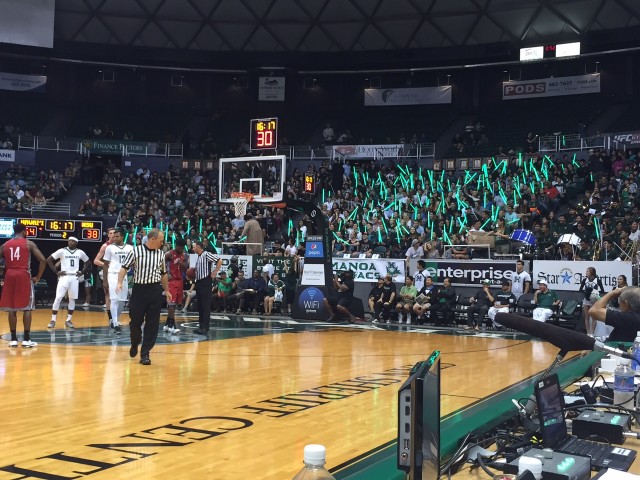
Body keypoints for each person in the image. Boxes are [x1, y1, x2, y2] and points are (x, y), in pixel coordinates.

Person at [116, 228, 171, 365]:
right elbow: (124, 267)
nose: (162, 243)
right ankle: (135, 342)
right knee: (135, 321)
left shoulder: (161, 254)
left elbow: (163, 274)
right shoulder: (135, 251)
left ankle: (145, 353)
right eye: (161, 240)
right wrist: (119, 283)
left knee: (153, 323)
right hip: (139, 290)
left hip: (155, 290)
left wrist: (167, 290)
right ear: (153, 239)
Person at [0, 224, 46, 348]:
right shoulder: (29, 244)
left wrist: (2, 272)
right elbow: (43, 260)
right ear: (24, 232)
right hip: (23, 274)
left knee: (11, 308)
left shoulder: (5, 245)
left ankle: (13, 339)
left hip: (9, 275)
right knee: (27, 308)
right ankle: (26, 339)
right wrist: (38, 277)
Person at [46, 236, 91, 330]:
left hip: (74, 277)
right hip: (64, 276)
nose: (70, 242)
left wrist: (82, 271)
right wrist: (56, 271)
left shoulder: (80, 252)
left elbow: (88, 262)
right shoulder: (62, 250)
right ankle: (53, 320)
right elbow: (49, 259)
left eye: (73, 241)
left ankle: (68, 320)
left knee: (72, 299)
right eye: (69, 240)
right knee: (58, 297)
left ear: (76, 243)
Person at [102, 228, 134, 335]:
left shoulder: (130, 248)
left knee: (122, 301)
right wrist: (105, 280)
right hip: (113, 274)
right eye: (114, 236)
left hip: (124, 276)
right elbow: (105, 265)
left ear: (122, 237)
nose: (115, 238)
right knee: (114, 299)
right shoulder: (109, 248)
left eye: (117, 236)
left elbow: (134, 263)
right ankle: (115, 324)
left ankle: (115, 319)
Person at [192, 240, 222, 335]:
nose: (193, 248)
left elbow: (219, 260)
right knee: (200, 305)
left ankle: (205, 327)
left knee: (205, 305)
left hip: (205, 282)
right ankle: (201, 326)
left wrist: (215, 272)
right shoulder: (199, 257)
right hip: (199, 282)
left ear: (199, 247)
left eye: (194, 246)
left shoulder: (206, 254)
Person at [163, 238, 187, 334]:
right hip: (171, 281)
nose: (181, 250)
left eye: (182, 248)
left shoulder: (183, 255)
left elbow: (185, 269)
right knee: (171, 304)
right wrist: (165, 273)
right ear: (176, 246)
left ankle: (167, 324)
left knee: (175, 304)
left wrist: (181, 264)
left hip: (180, 280)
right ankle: (172, 325)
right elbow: (159, 262)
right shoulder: (169, 254)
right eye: (180, 248)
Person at [93, 227, 116, 324]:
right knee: (109, 294)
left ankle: (115, 316)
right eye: (110, 233)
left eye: (114, 233)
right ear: (108, 235)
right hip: (107, 272)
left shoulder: (120, 246)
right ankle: (110, 316)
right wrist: (106, 264)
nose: (112, 235)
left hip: (117, 272)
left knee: (116, 295)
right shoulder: (105, 246)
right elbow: (96, 261)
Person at [579, 266, 606, 336]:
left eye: (587, 271)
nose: (586, 272)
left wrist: (596, 293)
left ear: (592, 272)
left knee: (594, 317)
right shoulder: (585, 280)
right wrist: (586, 292)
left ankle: (592, 333)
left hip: (594, 300)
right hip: (586, 299)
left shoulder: (597, 280)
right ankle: (588, 333)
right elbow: (580, 289)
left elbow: (602, 290)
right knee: (587, 316)